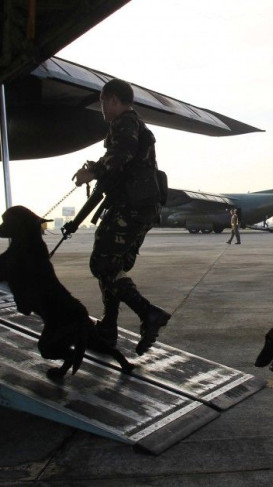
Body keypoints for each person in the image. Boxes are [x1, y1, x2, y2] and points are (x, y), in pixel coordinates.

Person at [70, 78, 170, 356]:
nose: (102, 108)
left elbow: (120, 156)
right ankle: (108, 329)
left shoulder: (125, 123)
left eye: (103, 102)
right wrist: (76, 221)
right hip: (139, 208)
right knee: (111, 267)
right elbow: (112, 178)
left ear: (113, 100)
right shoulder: (135, 125)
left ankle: (148, 312)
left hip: (131, 209)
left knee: (102, 264)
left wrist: (92, 171)